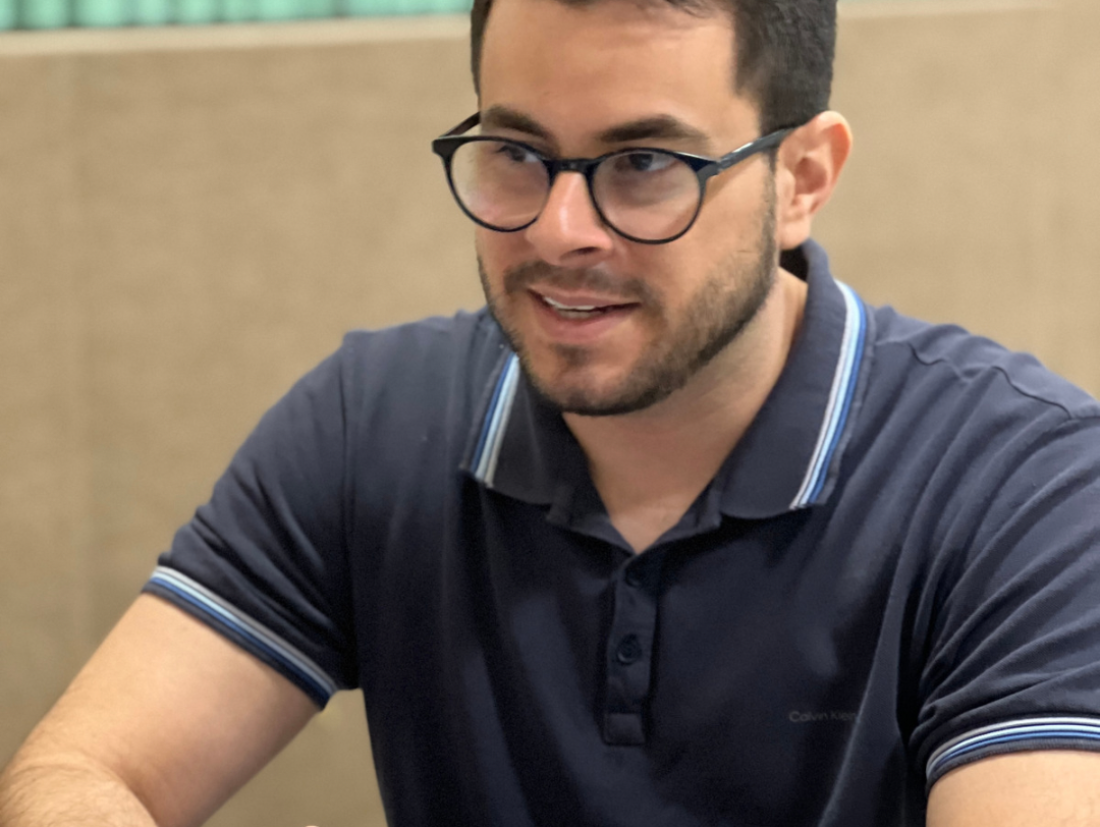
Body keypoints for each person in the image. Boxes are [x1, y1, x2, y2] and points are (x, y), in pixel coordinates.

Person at [2, 0, 1099, 823]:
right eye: (517, 153)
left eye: (644, 163)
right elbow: (79, 770)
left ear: (802, 177)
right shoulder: (372, 420)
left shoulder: (1023, 486)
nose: (559, 229)